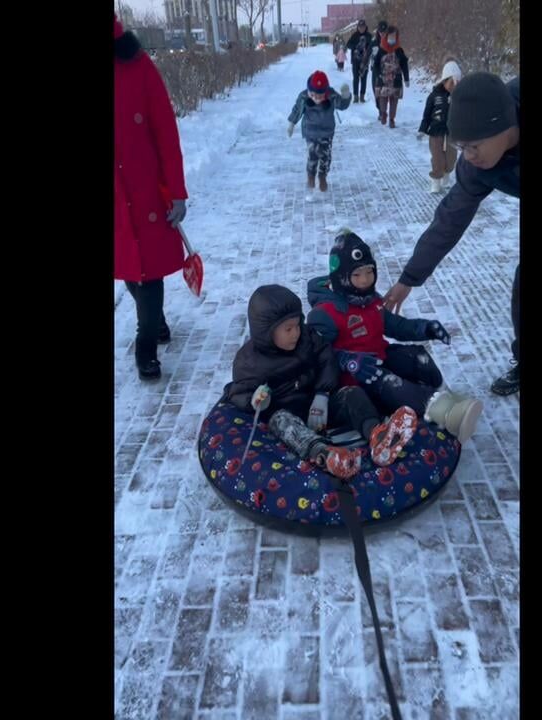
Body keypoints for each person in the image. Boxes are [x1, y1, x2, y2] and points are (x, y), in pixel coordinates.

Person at [383, 72, 522, 396]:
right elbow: (449, 219)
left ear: (503, 127)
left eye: (473, 146)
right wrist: (409, 278)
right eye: (461, 147)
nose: (468, 156)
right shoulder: (476, 167)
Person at [221, 285, 421, 478]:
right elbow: (238, 392)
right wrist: (256, 401)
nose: (296, 333)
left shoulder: (307, 337)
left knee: (351, 394)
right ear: (266, 332)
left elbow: (327, 358)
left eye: (297, 324)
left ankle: (378, 436)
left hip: (318, 404)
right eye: (288, 329)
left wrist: (322, 394)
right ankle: (326, 456)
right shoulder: (250, 361)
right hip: (287, 413)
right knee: (282, 421)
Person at [307, 231, 484, 442]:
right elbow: (316, 354)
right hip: (353, 378)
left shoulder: (371, 301)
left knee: (419, 357)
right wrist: (347, 360)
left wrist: (425, 328)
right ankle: (444, 413)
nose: (365, 280)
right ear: (342, 277)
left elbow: (395, 326)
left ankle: (446, 397)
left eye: (369, 272)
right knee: (390, 382)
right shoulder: (326, 313)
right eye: (356, 275)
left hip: (378, 358)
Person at [113, 14, 189, 382]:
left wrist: (176, 191)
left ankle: (146, 348)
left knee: (147, 269)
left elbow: (165, 130)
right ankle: (155, 318)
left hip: (144, 188)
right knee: (129, 267)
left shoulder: (137, 64)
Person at [287, 71, 352, 193]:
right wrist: (291, 124)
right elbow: (297, 110)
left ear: (325, 92)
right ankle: (311, 175)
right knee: (313, 154)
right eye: (313, 95)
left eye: (320, 95)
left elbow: (342, 105)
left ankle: (322, 176)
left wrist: (346, 95)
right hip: (310, 131)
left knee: (325, 156)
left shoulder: (331, 95)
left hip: (326, 132)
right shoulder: (304, 97)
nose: (316, 98)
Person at [418, 59, 462, 193]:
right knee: (437, 159)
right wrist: (422, 130)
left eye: (456, 83)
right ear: (444, 80)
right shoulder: (434, 96)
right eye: (451, 83)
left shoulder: (459, 96)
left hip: (452, 133)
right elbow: (426, 115)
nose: (453, 86)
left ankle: (447, 174)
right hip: (436, 132)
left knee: (451, 158)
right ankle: (435, 181)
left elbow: (466, 114)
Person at [372, 25, 409, 128]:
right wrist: (378, 74)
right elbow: (376, 64)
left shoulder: (399, 50)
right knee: (382, 98)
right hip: (383, 78)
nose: (392, 38)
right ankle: (383, 113)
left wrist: (406, 78)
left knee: (394, 100)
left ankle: (392, 119)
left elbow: (404, 64)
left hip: (396, 78)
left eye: (394, 36)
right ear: (387, 36)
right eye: (390, 36)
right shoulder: (382, 49)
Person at [345, 20, 374, 103]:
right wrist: (356, 46)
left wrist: (367, 49)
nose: (361, 28)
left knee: (364, 79)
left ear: (365, 27)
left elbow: (372, 46)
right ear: (358, 27)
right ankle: (355, 96)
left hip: (365, 60)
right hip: (355, 60)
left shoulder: (369, 36)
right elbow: (348, 45)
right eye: (360, 27)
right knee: (356, 79)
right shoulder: (354, 35)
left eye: (363, 27)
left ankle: (362, 96)